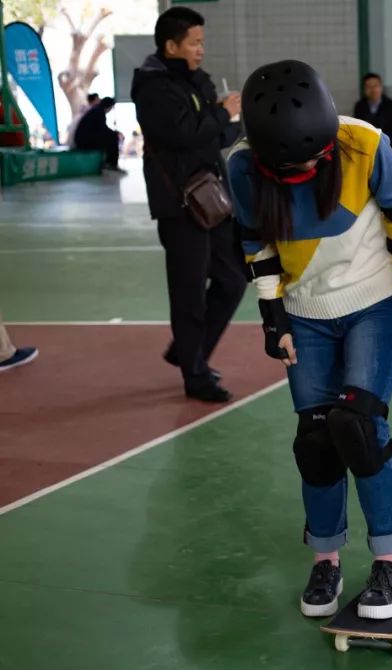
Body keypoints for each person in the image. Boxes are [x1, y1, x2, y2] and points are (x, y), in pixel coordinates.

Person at [228, 60, 392, 619]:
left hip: (374, 302)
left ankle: (390, 560)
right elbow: (254, 242)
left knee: (360, 427)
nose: (302, 171)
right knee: (317, 439)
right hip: (305, 313)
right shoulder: (244, 167)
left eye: (311, 161)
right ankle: (326, 559)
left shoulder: (362, 142)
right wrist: (273, 316)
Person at [131, 7, 247, 402]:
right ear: (171, 45)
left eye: (201, 42)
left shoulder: (198, 82)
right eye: (194, 43)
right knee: (189, 293)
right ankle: (195, 376)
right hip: (179, 206)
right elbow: (183, 134)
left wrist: (227, 118)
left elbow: (216, 137)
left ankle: (187, 351)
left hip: (211, 199)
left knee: (232, 280)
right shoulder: (154, 89)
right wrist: (220, 114)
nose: (201, 49)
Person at [353, 73, 392, 157]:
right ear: (364, 90)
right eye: (369, 87)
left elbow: (391, 130)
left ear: (381, 87)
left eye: (376, 86)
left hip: (388, 150)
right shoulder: (360, 106)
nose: (373, 90)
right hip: (366, 152)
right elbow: (359, 130)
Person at [73, 96, 124, 173]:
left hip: (82, 139)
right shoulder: (99, 111)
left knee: (110, 137)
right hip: (84, 141)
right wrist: (115, 133)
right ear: (109, 106)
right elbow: (102, 129)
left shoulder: (96, 110)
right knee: (113, 137)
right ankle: (111, 164)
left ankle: (107, 162)